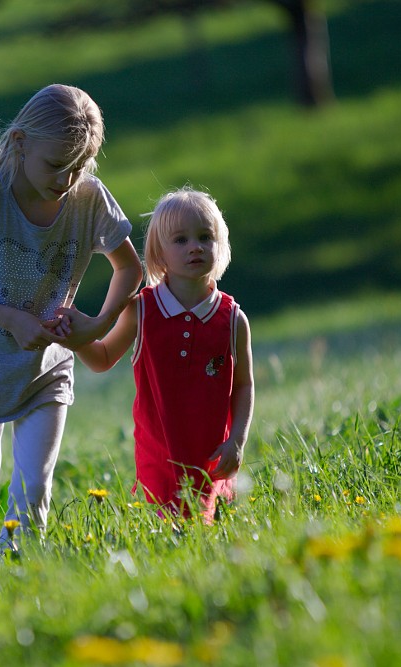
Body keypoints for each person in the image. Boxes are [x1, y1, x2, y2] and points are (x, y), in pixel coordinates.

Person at [0, 84, 143, 554]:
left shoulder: (90, 199)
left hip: (47, 371)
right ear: (21, 142)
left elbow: (131, 267)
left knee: (33, 495)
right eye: (55, 165)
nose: (66, 180)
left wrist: (98, 324)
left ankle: (22, 584)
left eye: (78, 167)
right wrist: (9, 319)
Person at [70, 187, 254, 522]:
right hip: (158, 456)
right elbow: (102, 357)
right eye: (180, 240)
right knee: (165, 531)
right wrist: (77, 335)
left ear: (220, 244)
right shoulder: (141, 310)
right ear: (159, 252)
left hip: (211, 456)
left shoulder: (232, 319)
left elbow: (244, 386)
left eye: (205, 237)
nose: (195, 246)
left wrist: (237, 442)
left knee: (205, 530)